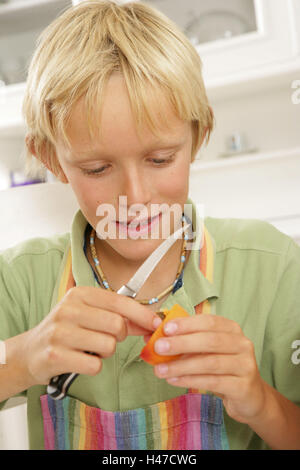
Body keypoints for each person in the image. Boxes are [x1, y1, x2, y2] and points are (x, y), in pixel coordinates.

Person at [0, 0, 300, 450]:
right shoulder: (20, 280)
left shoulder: (274, 268)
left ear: (198, 137)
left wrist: (260, 401)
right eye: (98, 168)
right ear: (50, 160)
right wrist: (20, 359)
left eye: (160, 160)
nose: (135, 198)